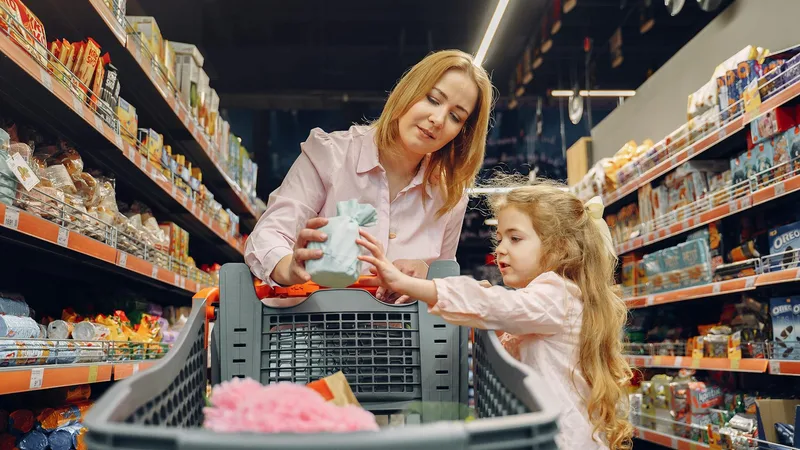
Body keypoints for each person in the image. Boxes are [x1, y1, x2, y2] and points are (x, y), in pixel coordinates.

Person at [356, 180, 633, 449]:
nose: (500, 248)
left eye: (515, 238)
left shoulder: (556, 293)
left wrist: (408, 284)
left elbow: (493, 305)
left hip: (561, 439)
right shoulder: (554, 296)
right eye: (500, 238)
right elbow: (506, 315)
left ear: (559, 247)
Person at [245, 49, 494, 303]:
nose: (438, 119)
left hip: (403, 339)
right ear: (409, 90)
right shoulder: (330, 156)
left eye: (456, 116)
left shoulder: (450, 194)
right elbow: (268, 236)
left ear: (462, 133)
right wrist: (290, 267)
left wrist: (428, 278)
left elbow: (443, 285)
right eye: (432, 99)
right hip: (316, 332)